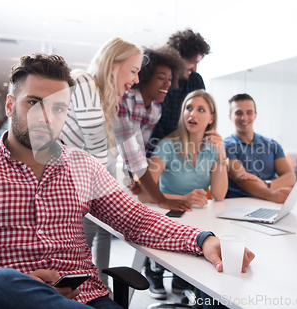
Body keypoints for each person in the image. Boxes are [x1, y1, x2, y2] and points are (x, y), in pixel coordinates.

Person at [0, 53, 255, 309]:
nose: (45, 116)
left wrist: (202, 238)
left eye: (57, 108)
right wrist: (9, 288)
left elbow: (136, 220)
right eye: (33, 103)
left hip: (85, 298)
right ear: (10, 106)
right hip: (2, 302)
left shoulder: (82, 166)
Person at [59, 37, 143, 287]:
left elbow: (105, 157)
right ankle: (83, 291)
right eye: (133, 71)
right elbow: (96, 148)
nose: (136, 80)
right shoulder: (84, 81)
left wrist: (126, 179)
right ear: (113, 65)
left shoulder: (106, 103)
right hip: (62, 191)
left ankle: (100, 288)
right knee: (79, 245)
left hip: (77, 187)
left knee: (102, 229)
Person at [138, 90, 228, 298]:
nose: (192, 114)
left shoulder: (213, 149)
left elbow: (219, 194)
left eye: (200, 110)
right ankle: (154, 269)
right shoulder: (167, 146)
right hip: (168, 214)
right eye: (188, 108)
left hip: (197, 216)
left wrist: (222, 154)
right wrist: (181, 199)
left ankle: (185, 277)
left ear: (211, 118)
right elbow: (143, 193)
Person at [117, 46, 185, 194]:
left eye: (170, 80)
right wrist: (160, 199)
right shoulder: (124, 99)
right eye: (161, 78)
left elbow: (140, 149)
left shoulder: (155, 110)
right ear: (144, 77)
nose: (167, 84)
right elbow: (128, 149)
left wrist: (131, 179)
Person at [148, 29, 211, 157]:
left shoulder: (195, 80)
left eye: (197, 63)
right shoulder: (157, 79)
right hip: (153, 150)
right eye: (192, 62)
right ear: (177, 58)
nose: (194, 68)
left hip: (182, 153)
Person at [225, 93, 296, 202]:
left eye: (249, 112)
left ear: (255, 115)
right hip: (239, 204)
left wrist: (265, 184)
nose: (244, 118)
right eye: (239, 113)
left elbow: (290, 177)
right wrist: (272, 194)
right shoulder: (226, 146)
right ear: (230, 117)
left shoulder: (272, 144)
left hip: (271, 203)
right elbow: (242, 179)